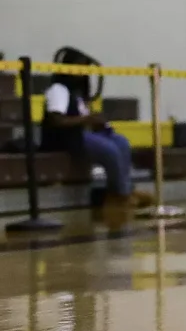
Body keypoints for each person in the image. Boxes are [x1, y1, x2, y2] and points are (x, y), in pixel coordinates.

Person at [42, 48, 152, 211]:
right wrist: (86, 119)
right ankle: (122, 194)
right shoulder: (58, 90)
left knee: (121, 142)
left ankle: (123, 190)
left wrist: (96, 122)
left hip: (82, 133)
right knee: (110, 150)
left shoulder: (78, 94)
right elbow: (56, 120)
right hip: (65, 138)